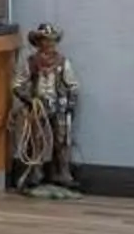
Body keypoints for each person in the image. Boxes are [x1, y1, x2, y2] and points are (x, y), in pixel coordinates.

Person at [8, 23, 81, 197]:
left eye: (51, 41)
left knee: (62, 140)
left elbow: (73, 84)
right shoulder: (31, 63)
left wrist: (70, 102)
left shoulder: (63, 63)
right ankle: (35, 173)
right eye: (44, 41)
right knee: (36, 140)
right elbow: (17, 84)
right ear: (38, 42)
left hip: (59, 105)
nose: (48, 44)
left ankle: (62, 173)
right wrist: (29, 99)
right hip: (38, 106)